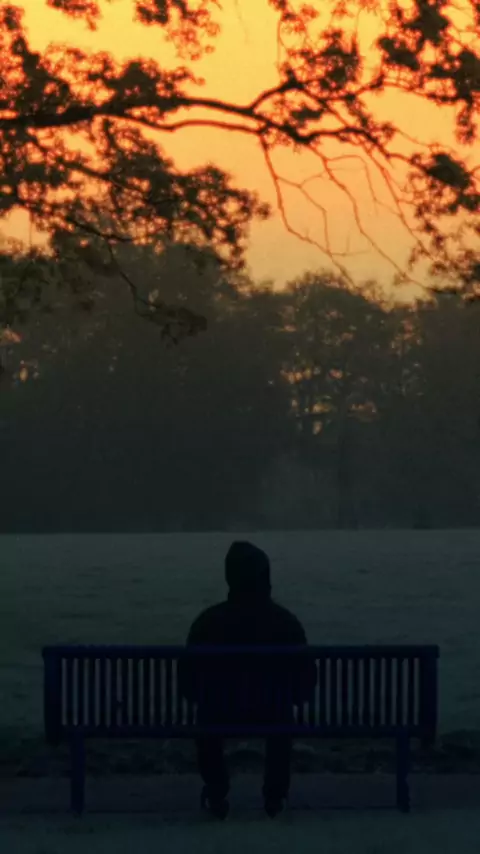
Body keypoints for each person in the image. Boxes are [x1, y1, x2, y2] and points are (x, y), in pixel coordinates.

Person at [178, 540, 317, 820]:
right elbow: (305, 683)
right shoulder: (285, 622)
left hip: (218, 713)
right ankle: (275, 794)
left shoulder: (208, 622)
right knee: (282, 719)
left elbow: (188, 684)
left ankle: (216, 789)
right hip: (271, 713)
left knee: (206, 721)